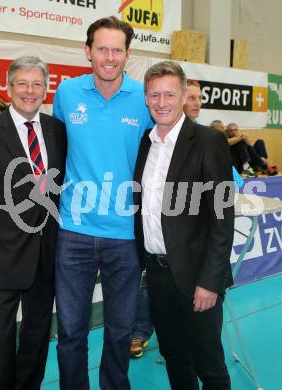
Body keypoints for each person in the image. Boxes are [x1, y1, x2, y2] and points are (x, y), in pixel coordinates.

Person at [53, 16, 153, 390]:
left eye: (117, 50)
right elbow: (57, 152)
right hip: (73, 231)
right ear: (87, 52)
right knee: (70, 331)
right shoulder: (67, 94)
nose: (109, 57)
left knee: (120, 331)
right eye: (102, 49)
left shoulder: (143, 100)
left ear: (128, 54)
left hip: (125, 235)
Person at [0, 56, 66, 390]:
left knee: (36, 339)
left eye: (37, 84)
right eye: (23, 83)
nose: (30, 91)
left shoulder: (56, 130)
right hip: (0, 260)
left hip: (45, 258)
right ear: (9, 87)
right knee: (2, 343)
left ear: (46, 90)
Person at [134, 61, 234, 389]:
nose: (161, 102)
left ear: (183, 96)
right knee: (176, 359)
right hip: (159, 276)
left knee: (209, 365)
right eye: (154, 95)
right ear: (146, 99)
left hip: (197, 277)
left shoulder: (207, 141)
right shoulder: (145, 144)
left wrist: (210, 282)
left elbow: (222, 220)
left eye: (169, 94)